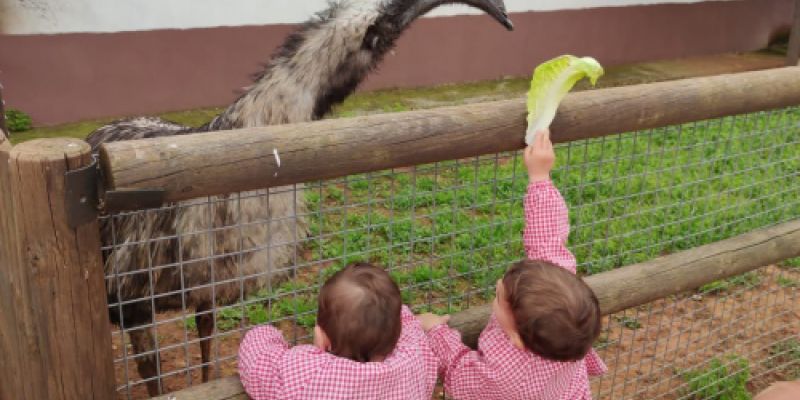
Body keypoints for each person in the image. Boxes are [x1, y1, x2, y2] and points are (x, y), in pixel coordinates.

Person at [419, 129, 607, 400]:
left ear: (516, 337)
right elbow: (547, 241)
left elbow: (460, 371)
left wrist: (435, 330)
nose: (498, 285)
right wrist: (540, 177)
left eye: (499, 297)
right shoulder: (557, 297)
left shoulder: (504, 376)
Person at [238, 262, 438, 399]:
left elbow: (255, 360)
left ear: (323, 340)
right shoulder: (413, 356)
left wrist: (268, 334)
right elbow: (405, 321)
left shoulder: (309, 374)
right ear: (397, 333)